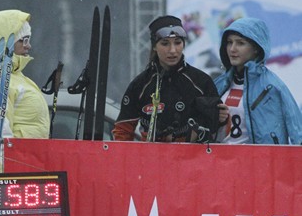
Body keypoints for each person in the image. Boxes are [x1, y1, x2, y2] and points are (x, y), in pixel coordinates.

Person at [113, 15, 223, 142]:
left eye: (178, 43)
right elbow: (122, 131)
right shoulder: (140, 84)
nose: (172, 50)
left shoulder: (201, 81)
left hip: (191, 159)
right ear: (154, 46)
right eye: (165, 44)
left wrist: (223, 119)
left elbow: (218, 132)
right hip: (151, 159)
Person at [213, 17, 302, 145]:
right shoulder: (219, 84)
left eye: (240, 43)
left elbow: (298, 132)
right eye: (229, 42)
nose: (232, 49)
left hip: (260, 162)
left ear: (256, 48)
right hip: (221, 162)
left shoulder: (273, 86)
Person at [0, 10, 50, 139]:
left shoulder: (16, 75)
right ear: (3, 42)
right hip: (15, 157)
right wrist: (7, 158)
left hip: (29, 156)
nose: (28, 46)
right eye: (24, 40)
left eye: (29, 40)